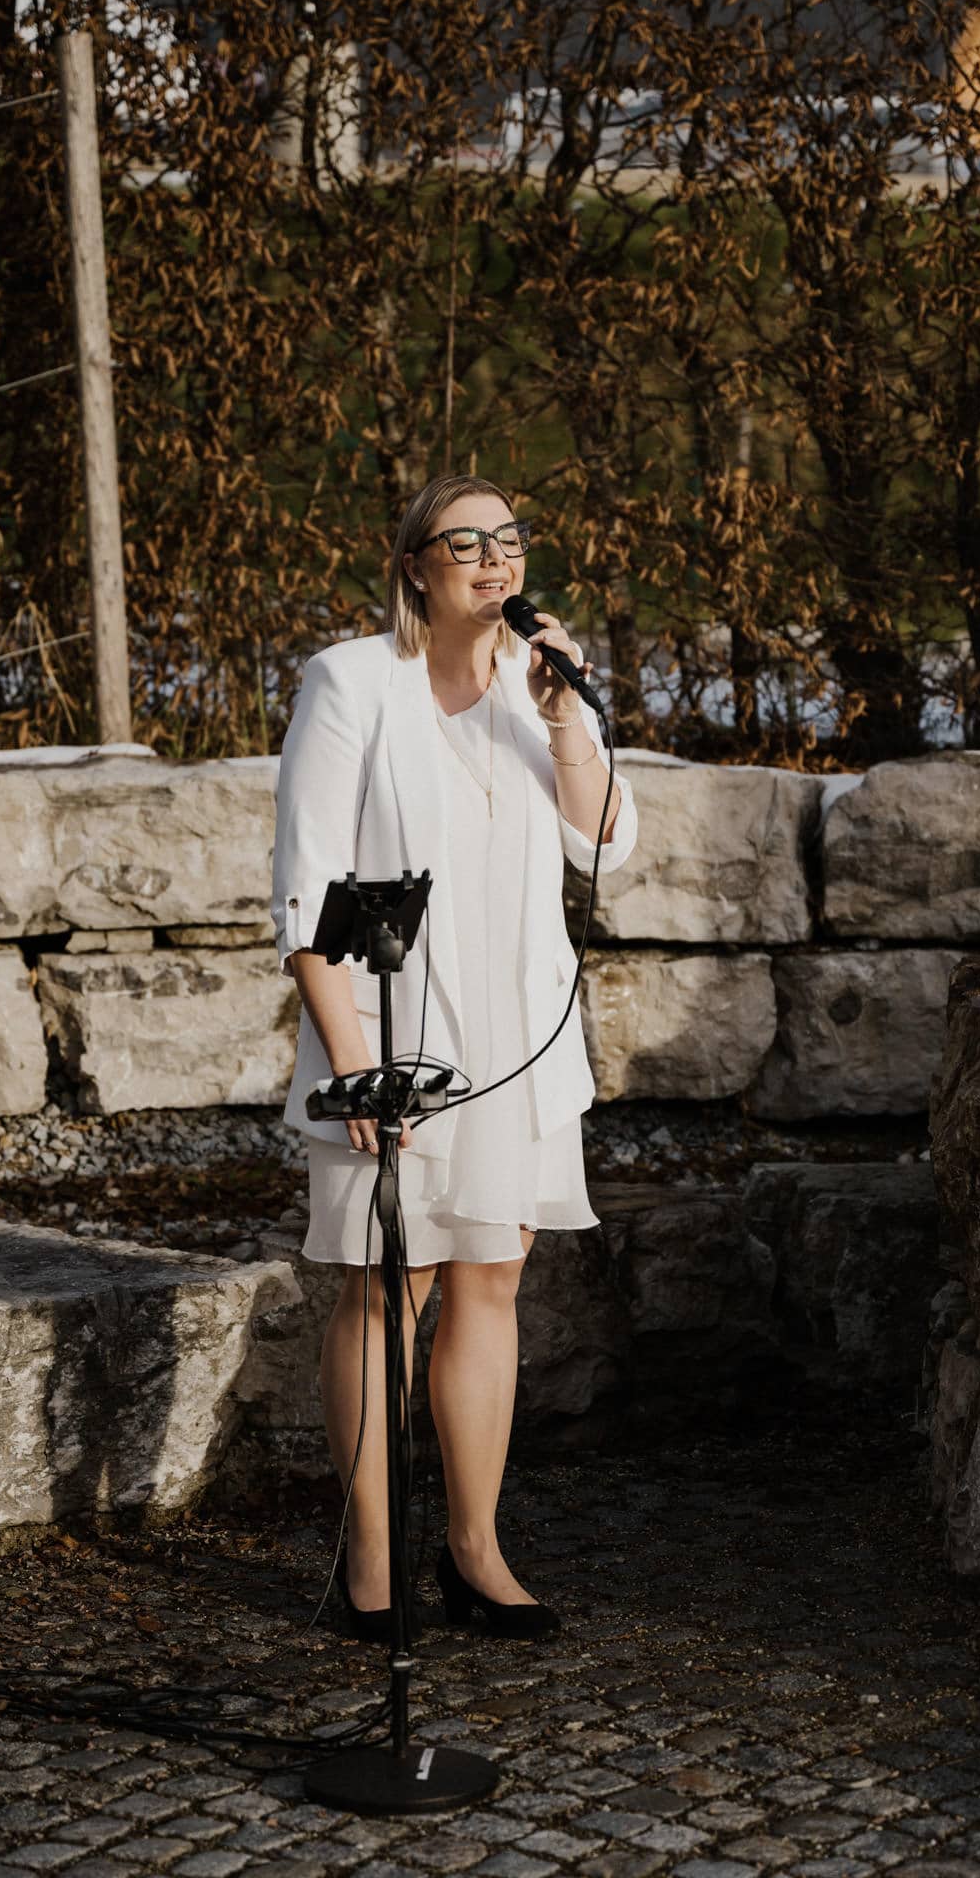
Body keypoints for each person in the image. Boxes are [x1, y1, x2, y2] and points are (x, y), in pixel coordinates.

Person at [271, 473, 638, 1641]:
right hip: (390, 1025)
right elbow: (306, 887)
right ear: (414, 566)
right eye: (464, 541)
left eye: (508, 540)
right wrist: (348, 1061)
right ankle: (370, 1563)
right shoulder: (350, 681)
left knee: (490, 1276)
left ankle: (474, 1551)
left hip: (515, 1033)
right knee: (390, 1283)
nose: (492, 559)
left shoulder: (540, 684)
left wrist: (563, 713)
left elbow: (606, 837)